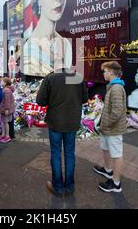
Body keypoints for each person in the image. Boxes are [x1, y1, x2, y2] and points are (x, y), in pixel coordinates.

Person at [36, 64, 88, 197]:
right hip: (72, 122)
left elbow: (40, 101)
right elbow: (84, 99)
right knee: (70, 153)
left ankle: (58, 187)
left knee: (56, 153)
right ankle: (69, 187)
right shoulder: (78, 77)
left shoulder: (50, 78)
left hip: (55, 122)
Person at [94, 61, 127, 193]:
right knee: (105, 148)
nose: (104, 74)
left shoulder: (117, 88)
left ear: (112, 72)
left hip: (113, 129)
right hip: (107, 128)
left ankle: (116, 183)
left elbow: (117, 111)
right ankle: (108, 171)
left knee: (117, 155)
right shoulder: (113, 86)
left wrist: (106, 123)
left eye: (105, 71)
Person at [0, 77, 15, 143]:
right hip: (3, 109)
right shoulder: (5, 89)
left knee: (6, 122)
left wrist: (7, 109)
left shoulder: (6, 90)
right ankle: (3, 134)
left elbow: (7, 101)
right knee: (3, 122)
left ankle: (7, 136)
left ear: (5, 83)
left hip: (5, 109)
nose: (1, 82)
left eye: (2, 81)